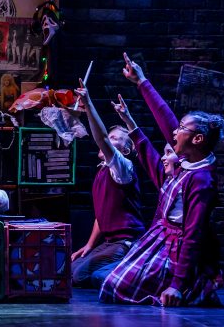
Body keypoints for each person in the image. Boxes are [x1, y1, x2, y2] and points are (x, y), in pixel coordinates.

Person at [99, 53, 224, 307]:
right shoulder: (186, 161)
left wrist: (177, 285)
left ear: (197, 139)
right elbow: (165, 119)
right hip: (159, 238)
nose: (175, 132)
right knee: (108, 283)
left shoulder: (201, 179)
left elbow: (194, 233)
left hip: (178, 248)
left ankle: (193, 285)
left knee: (115, 285)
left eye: (182, 129)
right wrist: (141, 81)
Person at [71, 80, 146, 289]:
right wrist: (88, 245)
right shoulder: (102, 171)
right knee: (71, 270)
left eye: (116, 139)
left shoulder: (124, 167)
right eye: (111, 137)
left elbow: (101, 137)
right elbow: (100, 217)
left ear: (126, 150)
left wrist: (88, 105)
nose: (109, 141)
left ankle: (135, 269)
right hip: (109, 242)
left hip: (125, 242)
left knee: (83, 277)